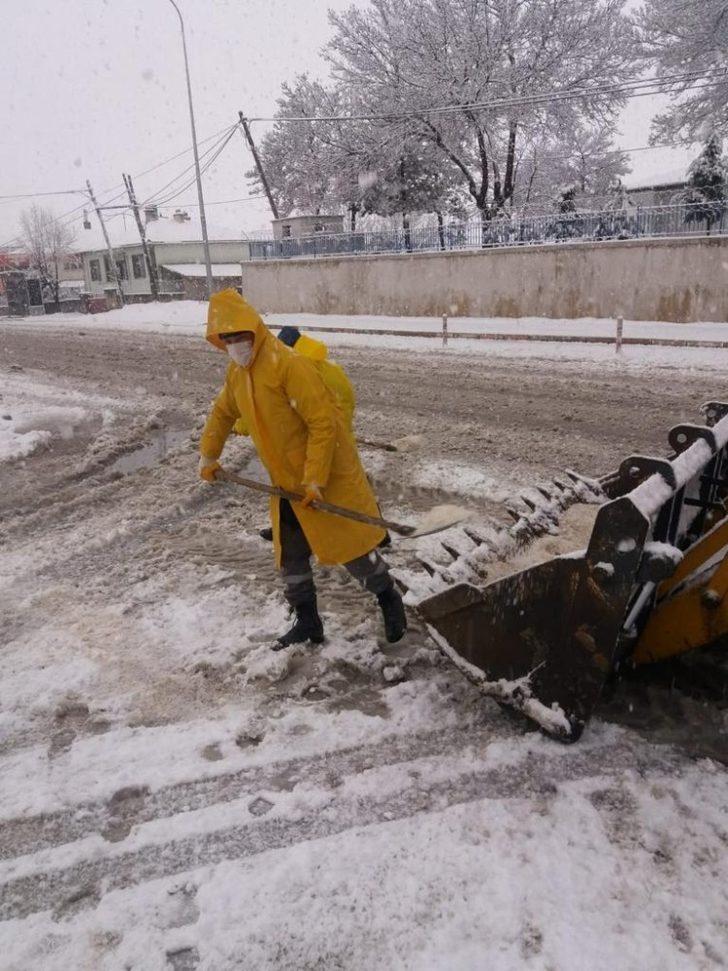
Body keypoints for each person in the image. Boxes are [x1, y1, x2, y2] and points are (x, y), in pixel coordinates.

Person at [198, 289, 407, 650]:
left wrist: (314, 478)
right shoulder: (238, 374)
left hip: (322, 475)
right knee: (290, 556)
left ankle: (388, 596)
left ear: (254, 329)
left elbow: (322, 424)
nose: (234, 345)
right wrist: (208, 456)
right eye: (226, 339)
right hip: (286, 484)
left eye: (238, 336)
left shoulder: (288, 364)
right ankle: (308, 622)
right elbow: (222, 414)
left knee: (351, 548)